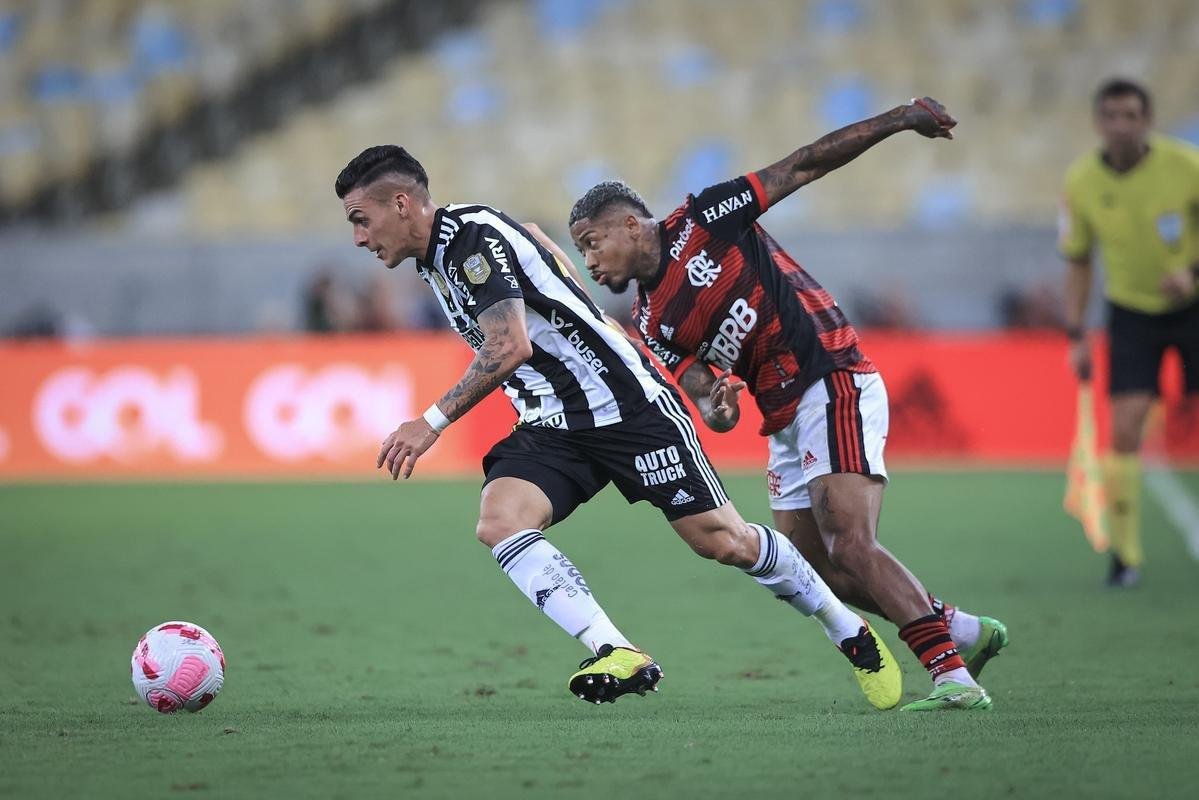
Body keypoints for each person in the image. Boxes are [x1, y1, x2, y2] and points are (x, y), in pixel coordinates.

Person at [334, 145, 903, 709]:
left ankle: (846, 628)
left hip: (626, 405)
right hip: (552, 421)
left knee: (723, 541)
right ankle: (616, 650)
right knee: (500, 520)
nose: (359, 237)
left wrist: (429, 422)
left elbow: (509, 346)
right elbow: (534, 243)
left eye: (362, 219)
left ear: (402, 203)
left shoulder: (470, 239)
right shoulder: (439, 257)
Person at [566, 98, 1004, 711]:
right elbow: (711, 406)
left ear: (631, 225)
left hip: (829, 374)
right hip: (781, 418)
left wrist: (901, 119)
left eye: (592, 243)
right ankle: (962, 630)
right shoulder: (650, 319)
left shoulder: (705, 219)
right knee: (815, 567)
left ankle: (953, 677)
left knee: (851, 542)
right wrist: (721, 406)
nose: (588, 262)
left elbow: (804, 164)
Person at [1060, 78, 1199, 587]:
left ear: (1148, 121)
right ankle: (1125, 555)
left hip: (1194, 303)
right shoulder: (1081, 182)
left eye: (1131, 116)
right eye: (1111, 116)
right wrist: (1076, 334)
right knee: (1123, 427)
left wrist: (1192, 272)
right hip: (1131, 312)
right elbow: (1078, 260)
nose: (1121, 126)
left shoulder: (1186, 167)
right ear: (1098, 122)